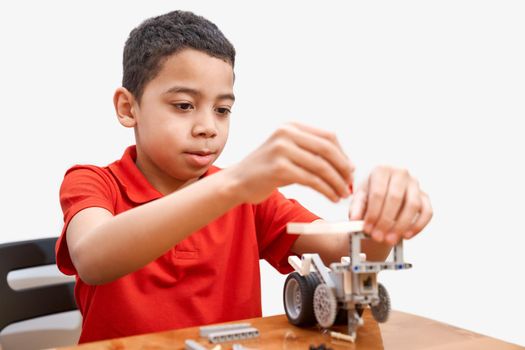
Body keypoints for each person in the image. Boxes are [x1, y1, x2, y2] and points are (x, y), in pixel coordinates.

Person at [56, 10, 433, 343]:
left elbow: (345, 252)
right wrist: (233, 185)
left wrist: (382, 218)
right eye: (184, 106)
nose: (208, 127)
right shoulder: (92, 182)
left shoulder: (250, 197)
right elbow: (93, 257)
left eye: (222, 110)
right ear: (128, 107)